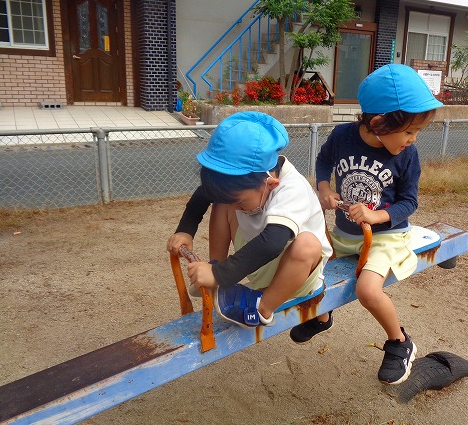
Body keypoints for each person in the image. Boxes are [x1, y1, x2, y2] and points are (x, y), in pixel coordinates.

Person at [289, 64, 442, 385]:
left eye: (417, 132)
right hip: (346, 234)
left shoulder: (407, 156)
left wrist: (376, 216)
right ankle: (322, 316)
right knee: (311, 266)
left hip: (386, 236)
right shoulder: (342, 136)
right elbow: (324, 160)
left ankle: (400, 341)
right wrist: (324, 188)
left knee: (367, 290)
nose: (413, 139)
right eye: (409, 131)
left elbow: (409, 202)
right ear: (377, 123)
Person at [167, 111, 333, 328]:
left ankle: (262, 308)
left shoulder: (292, 189)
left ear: (271, 184)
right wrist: (185, 230)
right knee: (222, 202)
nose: (237, 208)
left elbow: (272, 242)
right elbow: (204, 195)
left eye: (241, 202)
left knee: (308, 244)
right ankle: (216, 274)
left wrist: (220, 274)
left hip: (295, 274)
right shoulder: (247, 183)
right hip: (256, 260)